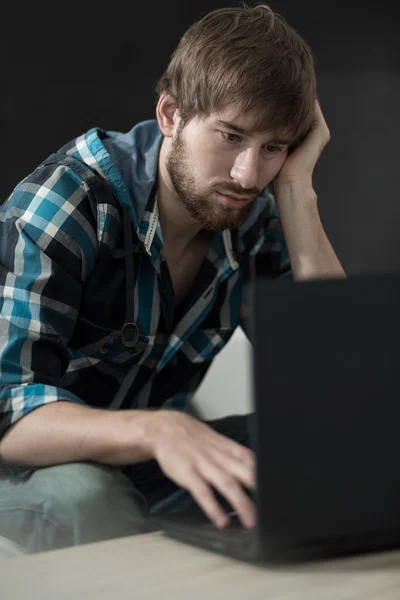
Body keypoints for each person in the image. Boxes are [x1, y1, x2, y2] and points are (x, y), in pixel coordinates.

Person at [0, 3, 345, 554]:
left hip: (149, 464)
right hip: (29, 467)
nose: (247, 175)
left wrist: (298, 193)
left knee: (334, 445)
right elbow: (6, 411)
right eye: (231, 136)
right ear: (169, 114)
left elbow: (341, 376)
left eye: (273, 148)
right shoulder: (67, 203)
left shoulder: (254, 214)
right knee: (87, 496)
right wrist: (160, 430)